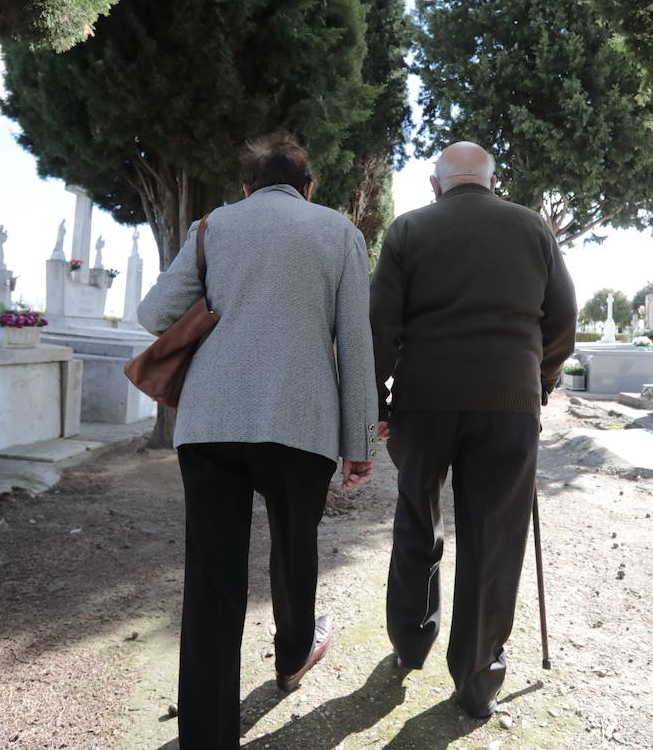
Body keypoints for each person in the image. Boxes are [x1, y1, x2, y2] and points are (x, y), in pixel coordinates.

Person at [139, 133, 379, 749]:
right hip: (301, 425)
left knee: (212, 576)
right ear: (308, 186)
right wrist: (359, 443)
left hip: (210, 423)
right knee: (294, 548)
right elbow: (356, 345)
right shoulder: (339, 233)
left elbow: (153, 313)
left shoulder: (214, 226)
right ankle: (294, 655)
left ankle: (206, 735)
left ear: (247, 186)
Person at [369, 141, 576, 717]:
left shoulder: (407, 231)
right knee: (493, 540)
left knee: (417, 515)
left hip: (424, 401)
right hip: (508, 405)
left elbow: (380, 327)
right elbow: (562, 321)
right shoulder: (533, 228)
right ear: (491, 181)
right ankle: (477, 677)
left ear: (436, 186)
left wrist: (375, 403)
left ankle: (410, 641)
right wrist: (541, 382)